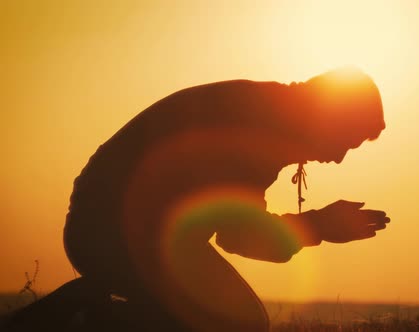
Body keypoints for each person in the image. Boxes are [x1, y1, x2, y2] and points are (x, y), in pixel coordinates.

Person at [7, 67, 390, 332]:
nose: (338, 157)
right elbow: (238, 236)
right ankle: (84, 316)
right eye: (346, 141)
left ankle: (89, 307)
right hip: (114, 236)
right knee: (239, 323)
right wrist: (319, 227)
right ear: (331, 116)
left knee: (241, 320)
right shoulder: (258, 122)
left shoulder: (268, 112)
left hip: (124, 232)